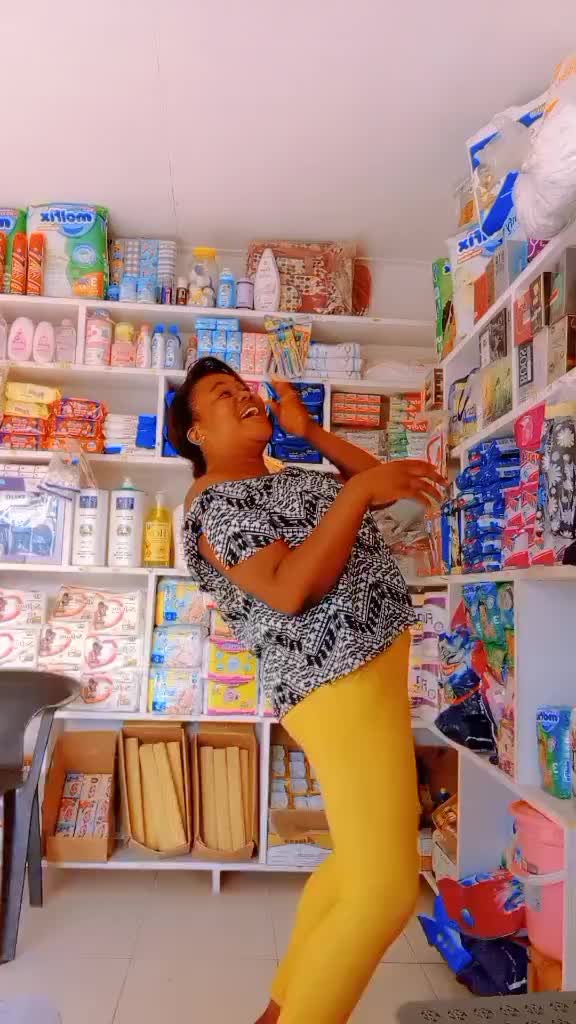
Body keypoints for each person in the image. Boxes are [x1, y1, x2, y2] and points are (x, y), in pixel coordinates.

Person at [169, 357, 446, 1024]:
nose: (243, 395)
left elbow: (386, 489)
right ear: (196, 433)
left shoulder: (282, 478)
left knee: (356, 867)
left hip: (367, 677)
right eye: (222, 394)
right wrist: (356, 493)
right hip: (334, 685)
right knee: (385, 892)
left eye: (243, 387)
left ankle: (281, 1009)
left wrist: (311, 433)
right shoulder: (216, 504)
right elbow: (289, 590)